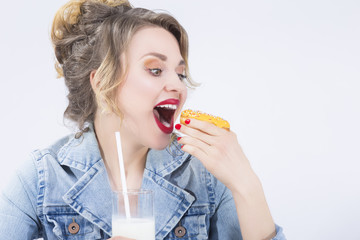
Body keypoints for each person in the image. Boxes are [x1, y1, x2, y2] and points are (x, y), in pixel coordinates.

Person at [0, 0, 286, 239]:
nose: (179, 86)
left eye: (180, 73)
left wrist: (247, 185)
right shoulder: (42, 177)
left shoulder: (205, 174)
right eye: (155, 69)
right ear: (101, 83)